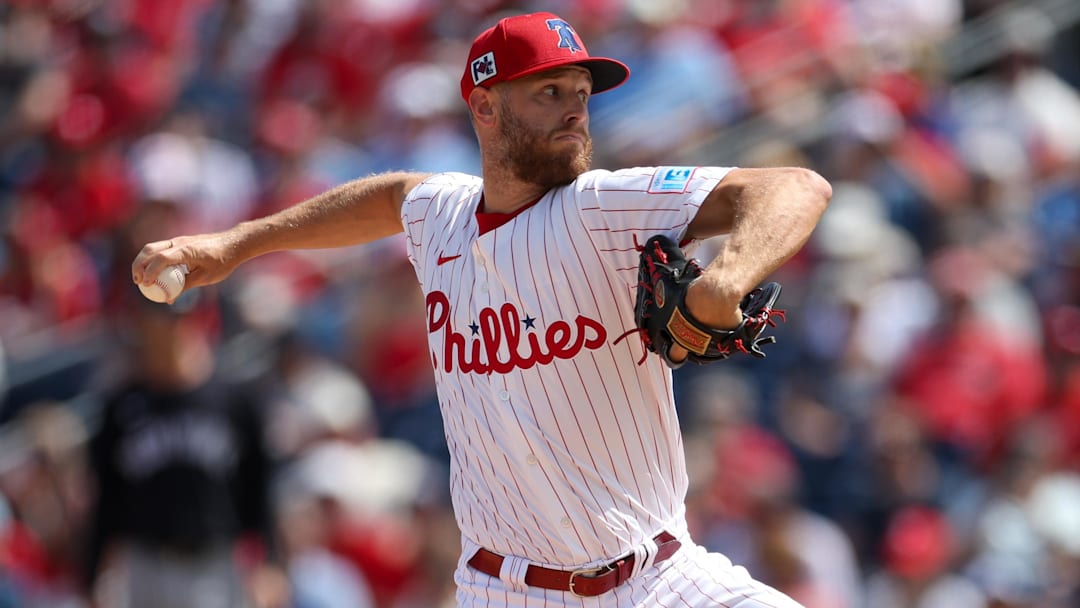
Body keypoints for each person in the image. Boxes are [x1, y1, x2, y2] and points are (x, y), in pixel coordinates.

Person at [131, 11, 831, 607]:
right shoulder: (442, 213)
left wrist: (724, 279)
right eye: (549, 90)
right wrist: (235, 245)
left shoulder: (602, 205)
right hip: (504, 589)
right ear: (485, 106)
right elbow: (387, 197)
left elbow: (794, 187)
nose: (574, 110)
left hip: (659, 578)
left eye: (581, 93)